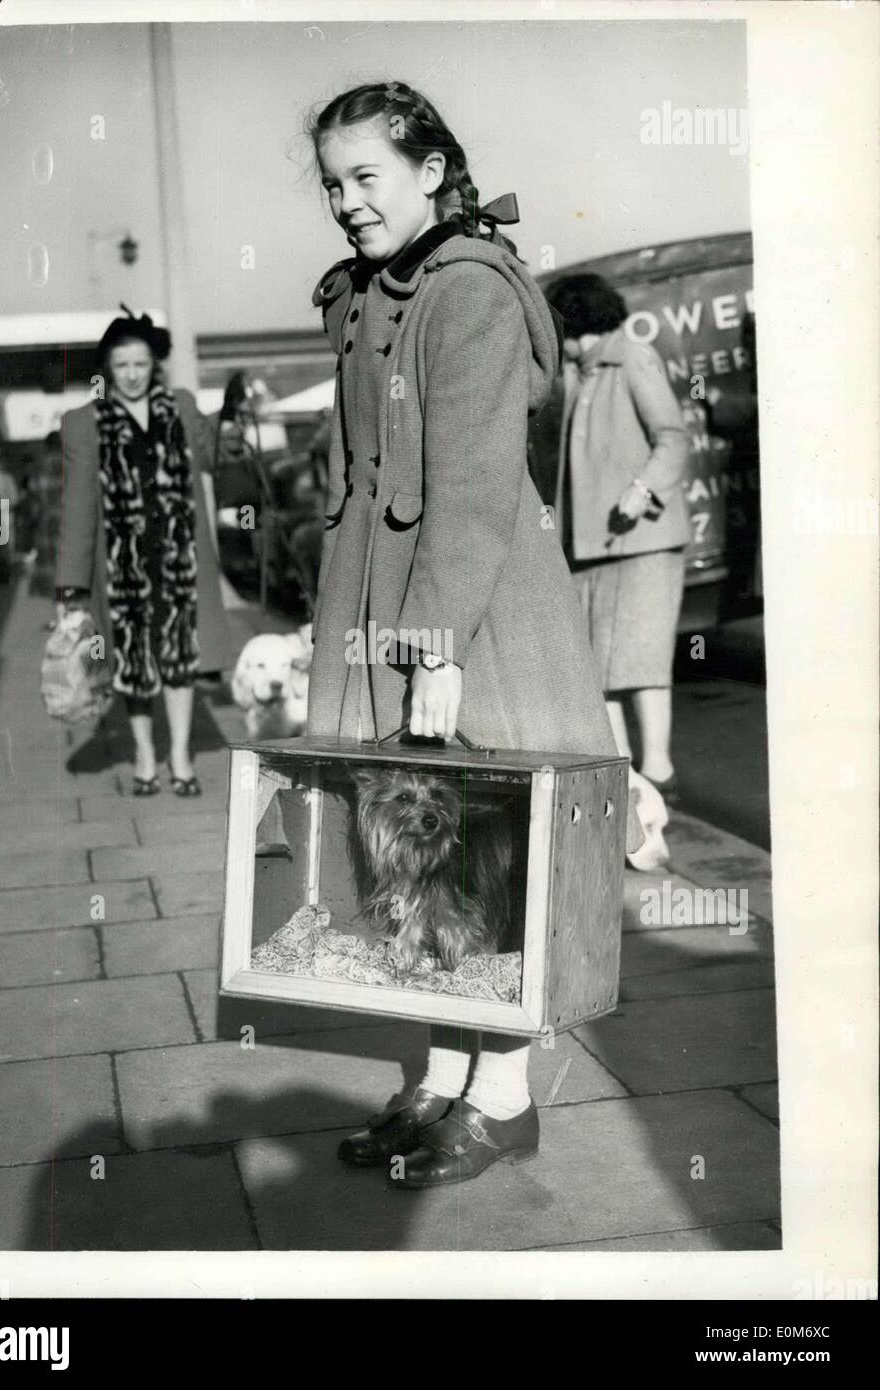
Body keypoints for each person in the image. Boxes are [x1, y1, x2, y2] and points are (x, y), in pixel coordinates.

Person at [305, 82, 643, 1190]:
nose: (346, 203)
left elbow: (471, 482)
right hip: (378, 606)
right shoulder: (364, 291)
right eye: (331, 184)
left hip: (467, 618)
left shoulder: (470, 291)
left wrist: (432, 649)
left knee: (477, 860)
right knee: (407, 864)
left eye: (366, 177)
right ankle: (439, 1080)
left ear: (430, 173)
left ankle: (499, 1099)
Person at [57, 309, 233, 795]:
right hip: (121, 566)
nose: (133, 375)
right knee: (132, 665)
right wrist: (71, 585)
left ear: (154, 365)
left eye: (141, 364)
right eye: (122, 366)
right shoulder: (83, 423)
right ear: (107, 370)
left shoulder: (180, 405)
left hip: (179, 561)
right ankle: (143, 754)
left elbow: (214, 457)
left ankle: (179, 755)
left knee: (179, 659)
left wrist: (231, 418)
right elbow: (76, 509)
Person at [535, 273, 691, 799]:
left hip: (643, 539)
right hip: (590, 544)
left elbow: (672, 438)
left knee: (640, 660)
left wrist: (642, 488)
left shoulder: (631, 358)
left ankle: (662, 772)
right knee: (597, 667)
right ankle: (626, 781)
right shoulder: (580, 371)